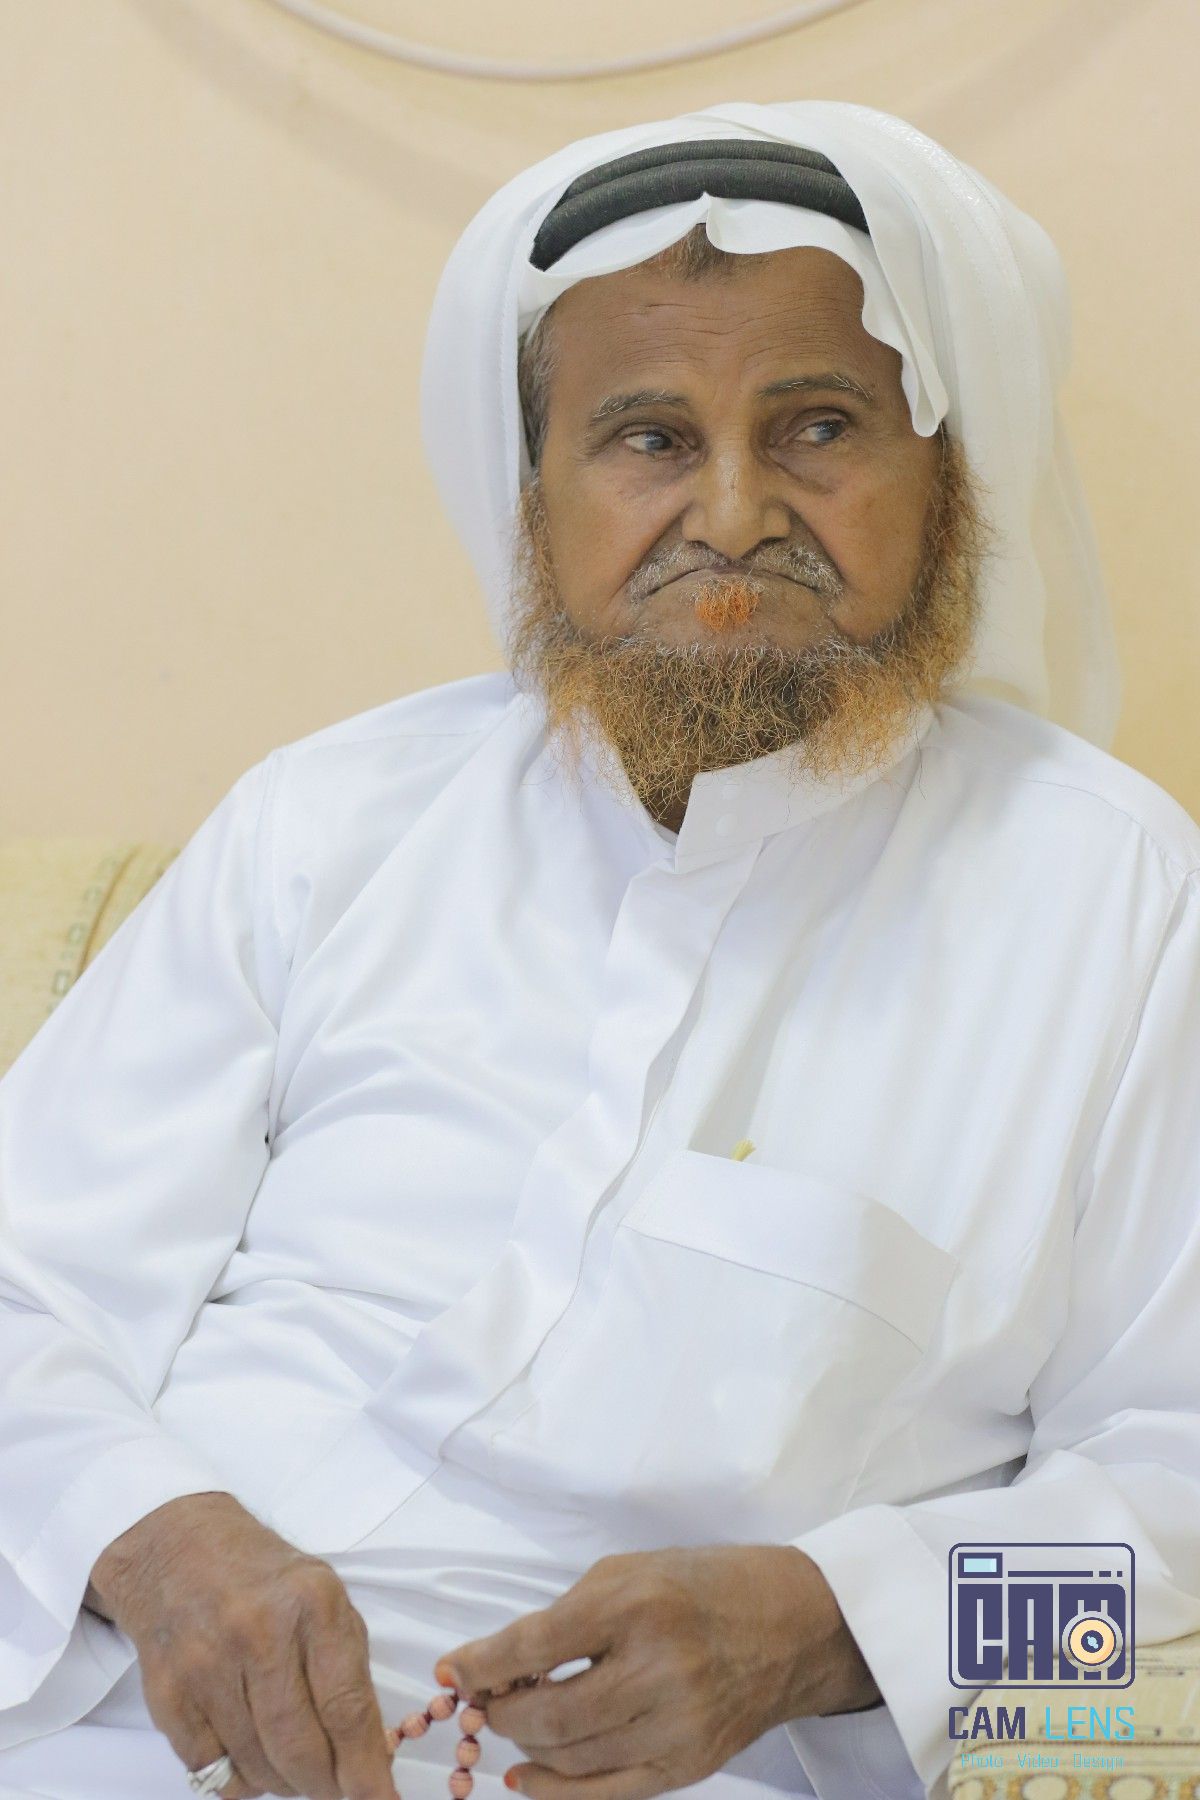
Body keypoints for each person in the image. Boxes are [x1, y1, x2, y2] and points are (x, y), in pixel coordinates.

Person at [1, 98, 1199, 1800]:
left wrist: (824, 1630)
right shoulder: (328, 823)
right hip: (96, 1711)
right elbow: (23, 1283)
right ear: (535, 497)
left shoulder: (1119, 902)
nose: (732, 512)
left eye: (818, 427)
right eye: (647, 437)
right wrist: (158, 1538)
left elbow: (1178, 1502)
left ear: (946, 480)